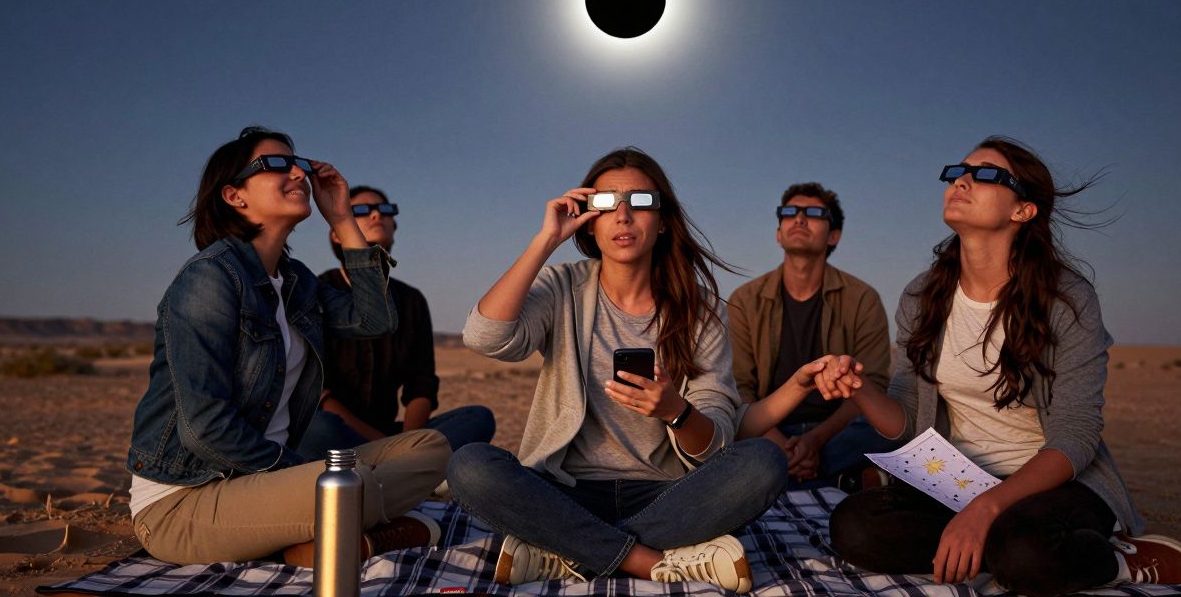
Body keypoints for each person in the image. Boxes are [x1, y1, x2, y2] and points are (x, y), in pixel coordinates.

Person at [815, 137, 1181, 597]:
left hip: (1050, 483)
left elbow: (1077, 435)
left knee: (1023, 554)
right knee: (853, 527)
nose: (961, 181)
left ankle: (1121, 559)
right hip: (957, 480)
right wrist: (858, 388)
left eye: (985, 174)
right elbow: (907, 421)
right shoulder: (923, 296)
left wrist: (985, 509)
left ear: (1024, 210)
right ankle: (994, 546)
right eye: (957, 172)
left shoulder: (1067, 300)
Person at [446, 148, 787, 593]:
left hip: (665, 495)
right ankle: (649, 560)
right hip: (564, 490)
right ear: (589, 220)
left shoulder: (701, 310)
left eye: (641, 201)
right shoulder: (562, 285)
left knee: (764, 461)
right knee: (470, 465)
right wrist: (545, 240)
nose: (623, 215)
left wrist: (675, 411)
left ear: (662, 221)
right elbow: (485, 337)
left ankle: (567, 551)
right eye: (606, 203)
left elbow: (715, 444)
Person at [124, 127, 450, 566]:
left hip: (271, 481)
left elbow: (376, 320)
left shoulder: (297, 282)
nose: (298, 173)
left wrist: (342, 220)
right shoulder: (209, 278)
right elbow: (205, 429)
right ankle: (348, 526)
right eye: (276, 164)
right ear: (234, 196)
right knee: (349, 483)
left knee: (429, 448)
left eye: (298, 163)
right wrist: (301, 472)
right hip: (186, 500)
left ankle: (323, 531)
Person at [296, 184, 496, 460]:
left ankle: (397, 467)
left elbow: (421, 384)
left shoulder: (411, 300)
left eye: (385, 209)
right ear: (337, 234)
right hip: (339, 432)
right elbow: (317, 392)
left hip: (393, 436)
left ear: (394, 227)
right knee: (315, 430)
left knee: (477, 418)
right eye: (361, 210)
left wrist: (407, 443)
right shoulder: (317, 291)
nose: (376, 215)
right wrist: (387, 447)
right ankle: (403, 468)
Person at [729, 182, 896, 488]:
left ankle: (793, 470)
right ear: (778, 234)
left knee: (894, 429)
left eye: (815, 213)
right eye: (789, 212)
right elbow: (740, 387)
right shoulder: (744, 300)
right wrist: (780, 444)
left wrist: (814, 442)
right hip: (770, 427)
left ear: (834, 235)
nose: (800, 219)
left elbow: (872, 385)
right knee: (721, 428)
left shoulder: (862, 298)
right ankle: (834, 476)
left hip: (837, 430)